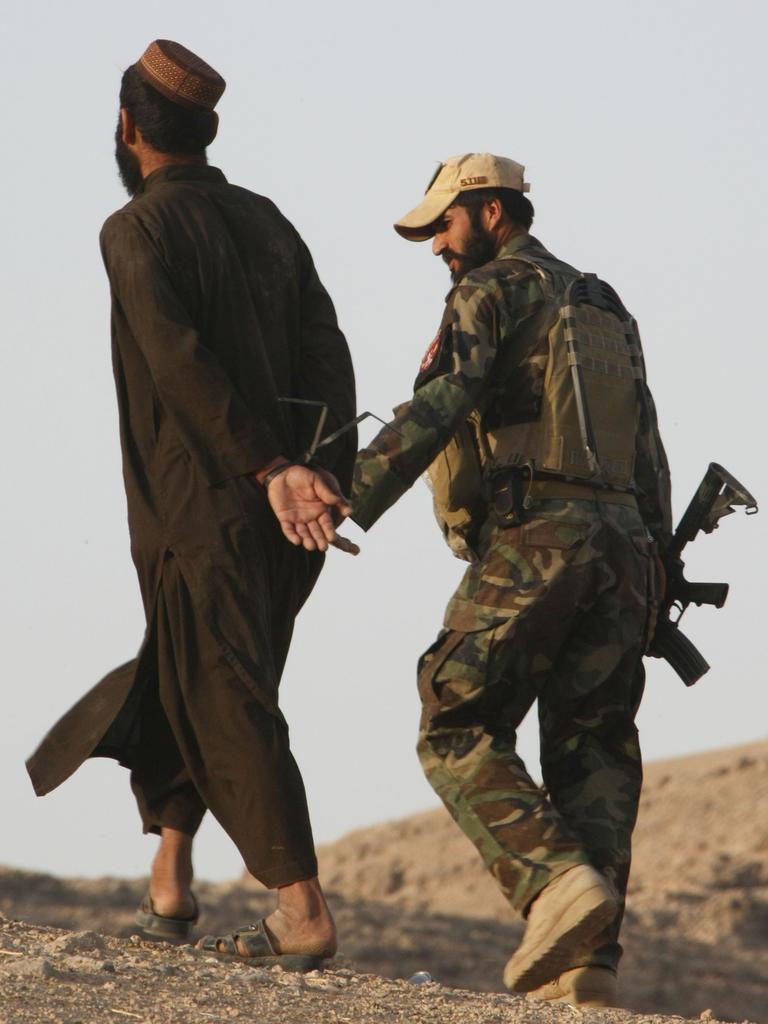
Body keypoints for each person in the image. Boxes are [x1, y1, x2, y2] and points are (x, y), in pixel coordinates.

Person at [26, 40, 358, 970]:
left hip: (209, 505)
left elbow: (177, 362)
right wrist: (324, 473)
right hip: (296, 515)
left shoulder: (133, 231)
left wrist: (268, 471)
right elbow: (328, 347)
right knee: (193, 668)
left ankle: (300, 909)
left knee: (224, 691)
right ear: (205, 134)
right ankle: (170, 879)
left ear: (127, 128)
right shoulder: (267, 219)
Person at [351, 153, 671, 1006]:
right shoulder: (604, 304)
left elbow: (443, 405)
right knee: (593, 741)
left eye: (444, 226)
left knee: (453, 709)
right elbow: (648, 443)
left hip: (542, 536)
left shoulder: (490, 292)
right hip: (625, 548)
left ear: (493, 213)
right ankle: (589, 962)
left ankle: (556, 887)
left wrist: (347, 493)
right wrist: (657, 562)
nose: (436, 248)